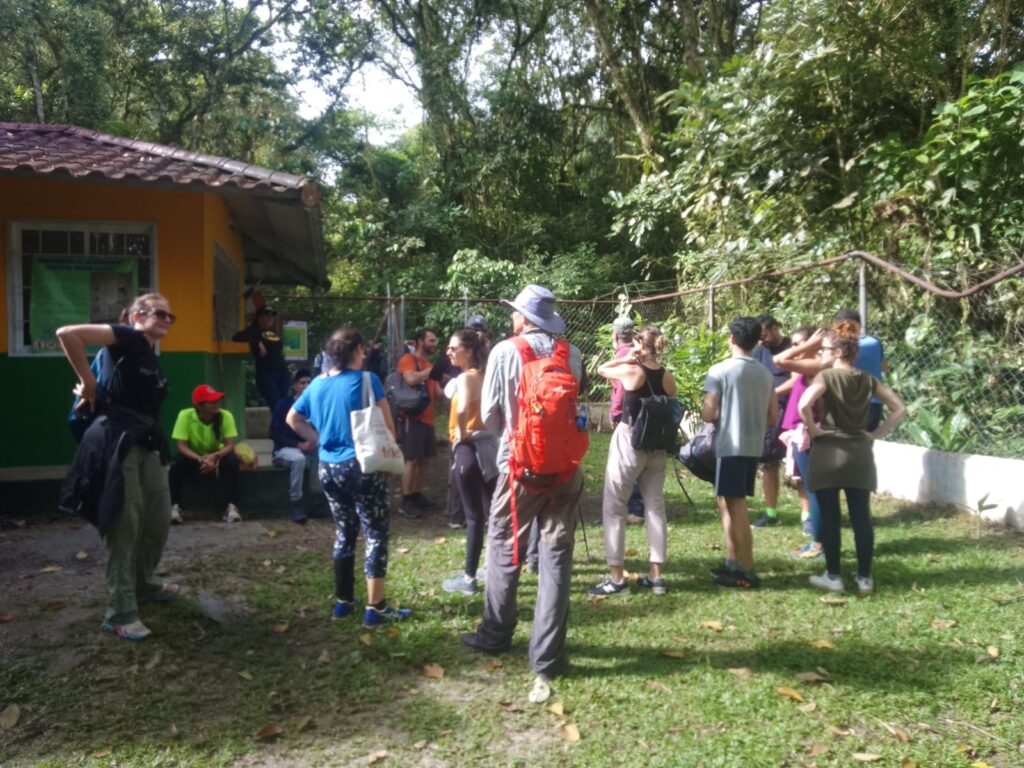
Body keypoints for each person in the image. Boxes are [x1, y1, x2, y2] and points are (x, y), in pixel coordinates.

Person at [461, 284, 585, 704]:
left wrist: (516, 439)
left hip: (519, 470)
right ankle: (548, 656)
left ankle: (495, 633)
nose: (512, 316)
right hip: (565, 471)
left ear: (524, 317)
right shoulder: (572, 353)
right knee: (556, 555)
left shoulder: (505, 351)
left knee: (504, 545)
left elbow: (490, 415)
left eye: (515, 311)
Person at [56, 293, 178, 641]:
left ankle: (145, 584)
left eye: (171, 316)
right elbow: (68, 334)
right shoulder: (127, 337)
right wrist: (89, 382)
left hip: (149, 445)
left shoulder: (149, 354)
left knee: (157, 521)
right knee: (125, 527)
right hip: (118, 444)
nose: (167, 320)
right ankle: (120, 612)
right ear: (136, 316)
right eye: (159, 313)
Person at [286, 327, 411, 628]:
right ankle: (375, 607)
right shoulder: (368, 380)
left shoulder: (316, 384)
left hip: (329, 468)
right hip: (363, 466)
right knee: (375, 533)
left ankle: (343, 603)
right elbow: (388, 427)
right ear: (355, 351)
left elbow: (292, 419)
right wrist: (389, 457)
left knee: (344, 531)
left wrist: (318, 440)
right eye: (362, 349)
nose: (365, 354)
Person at [799, 321, 907, 595]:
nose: (821, 353)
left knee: (830, 516)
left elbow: (804, 404)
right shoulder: (868, 380)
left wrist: (814, 430)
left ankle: (833, 575)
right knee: (861, 516)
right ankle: (865, 578)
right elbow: (899, 408)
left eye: (824, 349)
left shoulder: (826, 377)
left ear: (837, 352)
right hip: (860, 453)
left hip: (828, 452)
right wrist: (875, 434)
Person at [590, 325, 678, 597]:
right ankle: (656, 576)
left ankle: (617, 578)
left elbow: (600, 369)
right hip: (657, 447)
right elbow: (671, 402)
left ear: (639, 343)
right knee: (655, 507)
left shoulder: (631, 370)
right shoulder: (668, 377)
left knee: (614, 506)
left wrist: (626, 358)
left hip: (630, 441)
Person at [702, 317, 777, 589]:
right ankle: (733, 561)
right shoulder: (765, 374)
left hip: (730, 446)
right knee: (727, 501)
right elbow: (772, 416)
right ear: (757, 341)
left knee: (738, 507)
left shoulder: (720, 370)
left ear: (731, 338)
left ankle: (747, 570)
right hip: (752, 446)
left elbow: (708, 413)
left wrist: (722, 416)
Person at [441, 328, 497, 595]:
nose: (448, 352)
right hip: (489, 448)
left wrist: (461, 436)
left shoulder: (466, 378)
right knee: (493, 514)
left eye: (454, 348)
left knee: (474, 517)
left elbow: (462, 409)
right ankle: (494, 568)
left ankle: (468, 578)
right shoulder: (486, 376)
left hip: (469, 449)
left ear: (470, 351)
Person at [772, 327, 828, 558]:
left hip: (807, 433)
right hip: (801, 432)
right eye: (794, 344)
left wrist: (809, 346)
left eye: (798, 344)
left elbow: (779, 360)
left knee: (815, 490)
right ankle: (819, 542)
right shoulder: (808, 365)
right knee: (812, 487)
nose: (794, 349)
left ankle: (819, 544)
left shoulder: (818, 364)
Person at [169, 385, 243, 524]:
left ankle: (231, 507)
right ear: (199, 405)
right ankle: (175, 506)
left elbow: (230, 445)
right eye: (211, 401)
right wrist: (200, 459)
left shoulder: (225, 416)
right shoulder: (185, 415)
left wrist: (214, 456)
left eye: (217, 400)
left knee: (233, 460)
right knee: (176, 462)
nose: (216, 404)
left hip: (217, 456)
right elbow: (181, 446)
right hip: (194, 457)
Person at [751, 314, 792, 527]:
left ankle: (808, 517)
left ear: (775, 328)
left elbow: (797, 380)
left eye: (764, 335)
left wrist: (772, 393)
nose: (762, 340)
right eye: (759, 337)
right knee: (768, 462)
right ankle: (771, 513)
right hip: (769, 414)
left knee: (800, 466)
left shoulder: (793, 347)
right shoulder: (759, 351)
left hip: (792, 413)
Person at [396, 328, 440, 518]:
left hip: (428, 418)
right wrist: (431, 371)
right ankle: (406, 500)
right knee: (412, 459)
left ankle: (417, 494)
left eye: (435, 340)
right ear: (420, 342)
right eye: (431, 340)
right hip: (412, 418)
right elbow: (411, 378)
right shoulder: (408, 360)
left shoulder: (428, 364)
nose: (434, 344)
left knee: (424, 459)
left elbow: (437, 392)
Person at [271, 368, 320, 525]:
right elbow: (274, 433)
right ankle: (295, 503)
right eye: (302, 383)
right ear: (295, 386)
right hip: (285, 450)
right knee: (299, 459)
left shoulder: (317, 406)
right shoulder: (284, 405)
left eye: (309, 383)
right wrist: (298, 444)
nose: (306, 386)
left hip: (311, 449)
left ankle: (319, 500)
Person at [608, 316, 645, 525]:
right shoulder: (640, 351)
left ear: (615, 335)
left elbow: (621, 388)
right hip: (642, 414)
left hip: (627, 416)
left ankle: (635, 509)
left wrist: (615, 413)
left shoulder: (623, 355)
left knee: (626, 462)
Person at [835, 309, 887, 431]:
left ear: (837, 326)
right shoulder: (874, 342)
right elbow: (884, 368)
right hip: (874, 401)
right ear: (860, 325)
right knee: (866, 440)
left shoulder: (837, 345)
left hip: (847, 403)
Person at [233, 305, 290, 410]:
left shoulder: (272, 333)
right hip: (267, 374)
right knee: (276, 406)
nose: (270, 319)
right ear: (259, 318)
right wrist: (257, 343)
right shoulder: (254, 331)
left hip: (282, 372)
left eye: (272, 316)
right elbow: (237, 337)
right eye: (267, 316)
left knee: (285, 406)